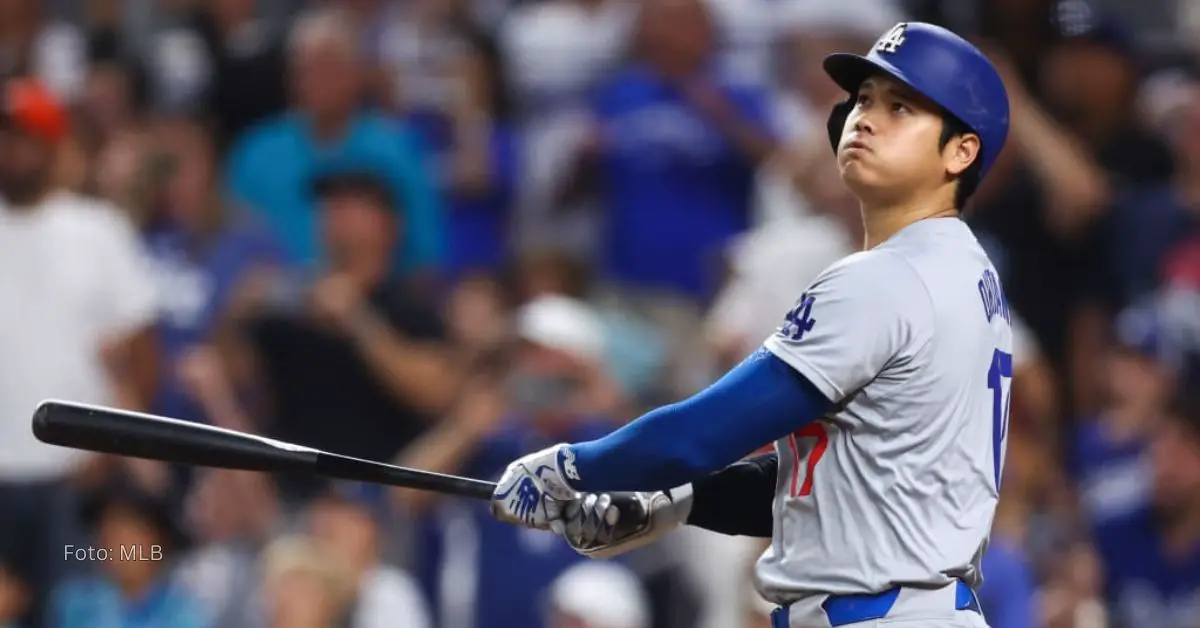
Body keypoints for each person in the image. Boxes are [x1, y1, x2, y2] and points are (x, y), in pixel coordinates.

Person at [490, 21, 1015, 628]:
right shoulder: (966, 274)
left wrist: (569, 467)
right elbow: (840, 485)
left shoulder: (885, 280)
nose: (865, 118)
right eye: (864, 99)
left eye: (901, 108)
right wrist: (677, 503)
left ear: (960, 151)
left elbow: (703, 433)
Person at [0, 78, 158, 628]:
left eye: (25, 137)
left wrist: (114, 447)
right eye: (4, 137)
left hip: (76, 479)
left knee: (76, 614)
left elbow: (142, 353)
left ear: (54, 145)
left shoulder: (96, 230)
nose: (12, 150)